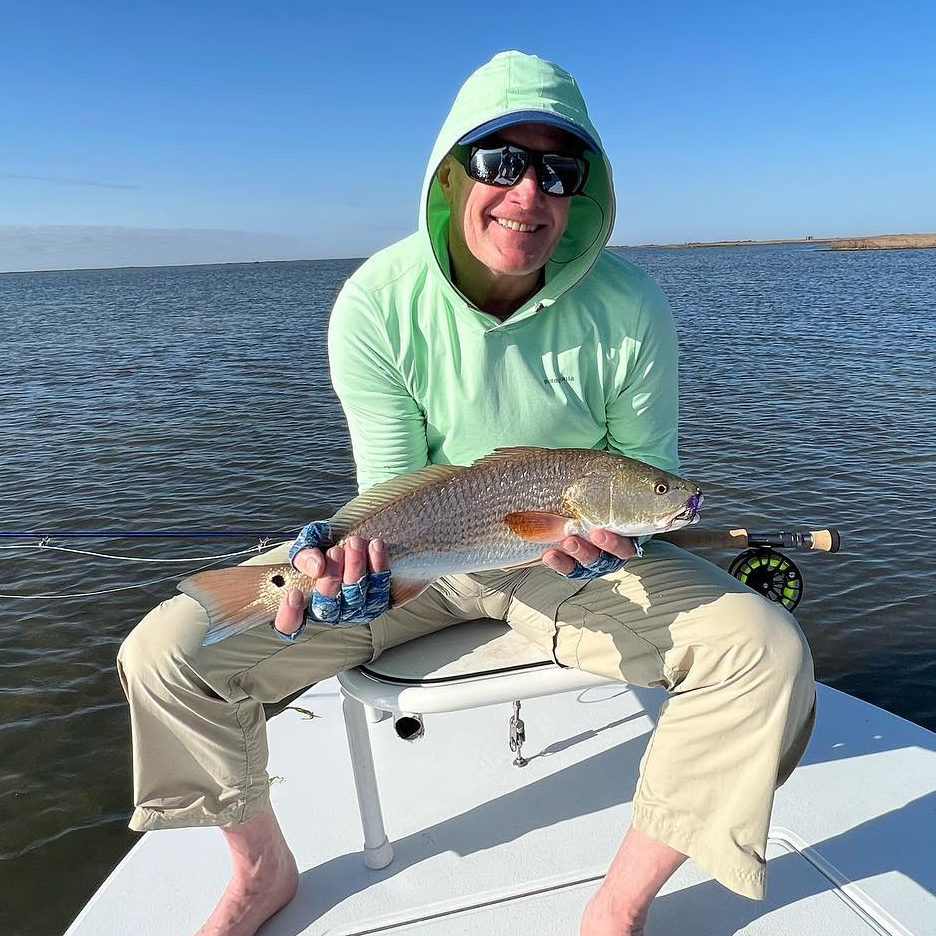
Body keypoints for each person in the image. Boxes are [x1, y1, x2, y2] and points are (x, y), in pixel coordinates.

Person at [117, 51, 816, 936]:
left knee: (765, 647)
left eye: (558, 172)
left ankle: (616, 909)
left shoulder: (632, 307)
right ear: (451, 176)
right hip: (422, 556)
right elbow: (392, 489)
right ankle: (261, 870)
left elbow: (641, 474)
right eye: (500, 162)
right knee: (165, 655)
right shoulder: (376, 301)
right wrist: (349, 566)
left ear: (582, 192)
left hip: (568, 563)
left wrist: (623, 534)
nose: (528, 195)